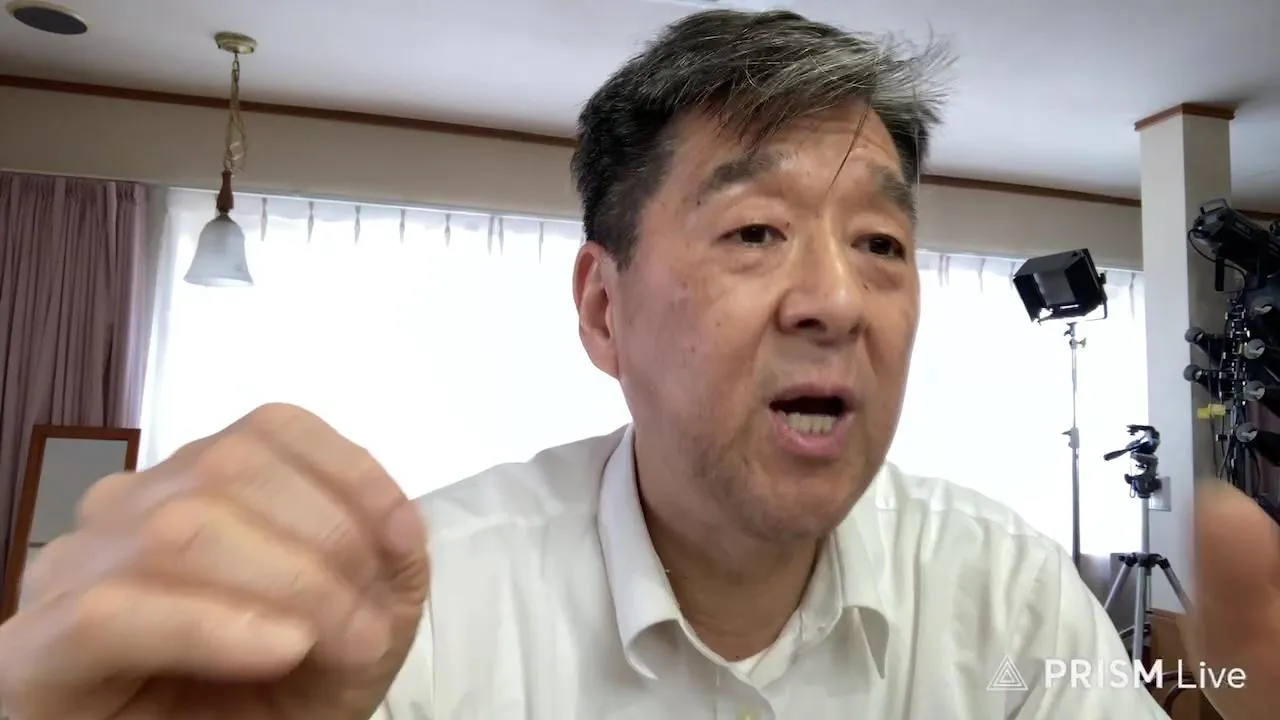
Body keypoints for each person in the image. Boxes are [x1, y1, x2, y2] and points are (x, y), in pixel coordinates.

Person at [0, 8, 1274, 720]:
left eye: (881, 243)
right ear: (601, 310)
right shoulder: (415, 617)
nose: (837, 300)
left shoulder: (1005, 596)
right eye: (754, 232)